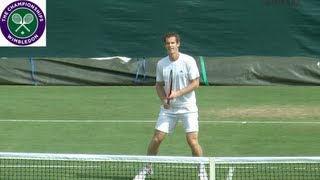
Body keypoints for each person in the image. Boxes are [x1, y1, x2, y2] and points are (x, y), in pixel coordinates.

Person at [133, 32, 208, 180]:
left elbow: (195, 83)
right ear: (165, 45)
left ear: (178, 44)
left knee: (192, 141)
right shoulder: (162, 64)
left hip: (188, 107)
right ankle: (148, 168)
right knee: (157, 138)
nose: (170, 45)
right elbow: (159, 85)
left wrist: (177, 93)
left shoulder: (188, 61)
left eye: (173, 43)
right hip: (169, 109)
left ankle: (201, 170)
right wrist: (163, 100)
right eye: (168, 43)